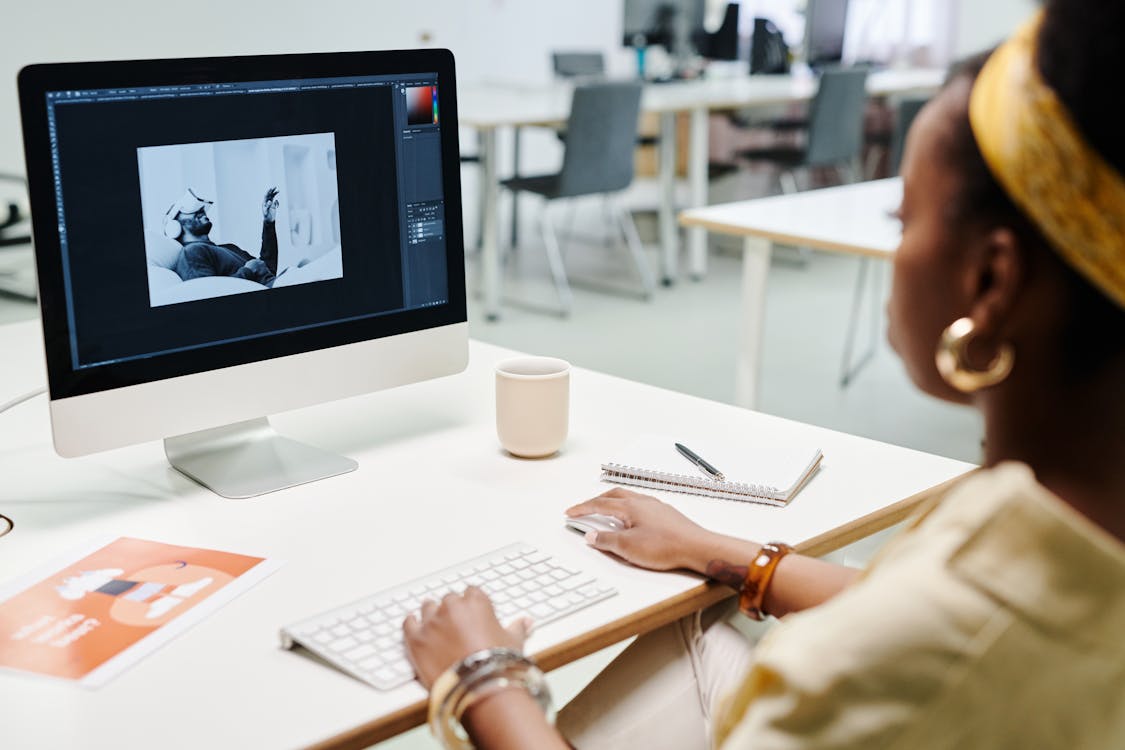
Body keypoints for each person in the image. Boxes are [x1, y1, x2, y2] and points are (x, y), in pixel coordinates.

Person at [403, 1, 1125, 748]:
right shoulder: (1063, 522)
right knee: (690, 624)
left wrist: (483, 678)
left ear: (989, 282)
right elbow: (915, 599)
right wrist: (711, 548)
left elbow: (924, 631)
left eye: (903, 220)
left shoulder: (890, 678)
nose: (894, 245)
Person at [163, 187, 280, 286]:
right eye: (190, 211)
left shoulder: (229, 247)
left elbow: (267, 270)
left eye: (201, 211)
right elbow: (209, 298)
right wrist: (248, 271)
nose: (201, 211)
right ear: (174, 227)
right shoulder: (192, 253)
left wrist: (268, 223)